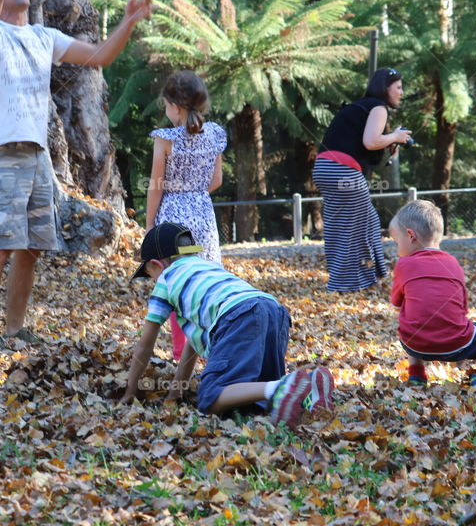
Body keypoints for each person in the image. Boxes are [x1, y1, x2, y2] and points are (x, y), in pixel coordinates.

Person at [0, 0, 152, 349]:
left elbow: (100, 55)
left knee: (31, 248)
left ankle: (15, 329)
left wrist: (128, 22)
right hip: (1, 150)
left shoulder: (43, 36)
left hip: (38, 156)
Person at [120, 222, 334, 428]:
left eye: (150, 275)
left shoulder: (166, 279)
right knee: (254, 398)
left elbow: (145, 346)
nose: (152, 281)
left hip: (239, 316)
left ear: (156, 265)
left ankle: (285, 385)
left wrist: (130, 391)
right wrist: (175, 393)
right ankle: (308, 389)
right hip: (273, 311)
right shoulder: (207, 269)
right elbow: (193, 345)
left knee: (210, 397)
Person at [389, 200, 476, 391]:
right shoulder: (453, 263)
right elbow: (463, 308)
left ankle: (416, 374)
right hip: (458, 344)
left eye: (397, 241)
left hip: (415, 344)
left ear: (410, 236)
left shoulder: (404, 265)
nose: (397, 248)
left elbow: (397, 303)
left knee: (408, 317)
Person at [145, 71, 226, 360]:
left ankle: (181, 353)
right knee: (204, 283)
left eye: (166, 105)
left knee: (177, 286)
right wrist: (194, 191)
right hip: (203, 216)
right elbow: (216, 180)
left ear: (175, 107)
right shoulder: (216, 134)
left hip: (172, 219)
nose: (165, 111)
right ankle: (209, 350)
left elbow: (156, 185)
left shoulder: (165, 139)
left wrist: (150, 226)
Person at [313, 68, 412, 291]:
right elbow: (370, 141)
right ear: (386, 88)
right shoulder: (378, 107)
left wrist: (390, 142)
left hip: (324, 168)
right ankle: (344, 284)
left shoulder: (358, 107)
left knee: (366, 221)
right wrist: (395, 136)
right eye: (398, 87)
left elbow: (367, 147)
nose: (401, 92)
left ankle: (371, 276)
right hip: (342, 170)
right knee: (352, 229)